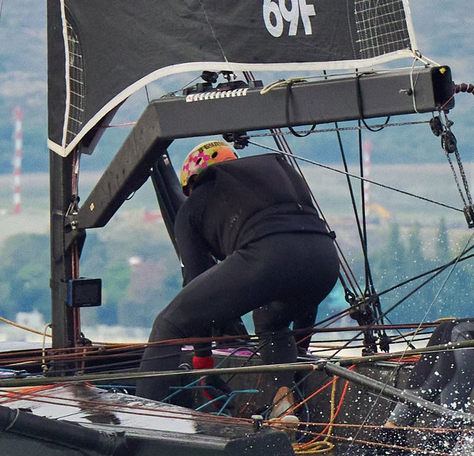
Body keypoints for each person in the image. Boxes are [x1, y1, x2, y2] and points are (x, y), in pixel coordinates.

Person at [145, 140, 342, 404]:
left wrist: (203, 360)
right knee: (271, 321)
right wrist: (298, 357)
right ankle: (283, 401)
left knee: (168, 324)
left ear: (193, 183)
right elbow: (300, 257)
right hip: (325, 261)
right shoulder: (274, 184)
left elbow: (195, 281)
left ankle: (144, 415)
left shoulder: (194, 204)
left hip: (268, 257)